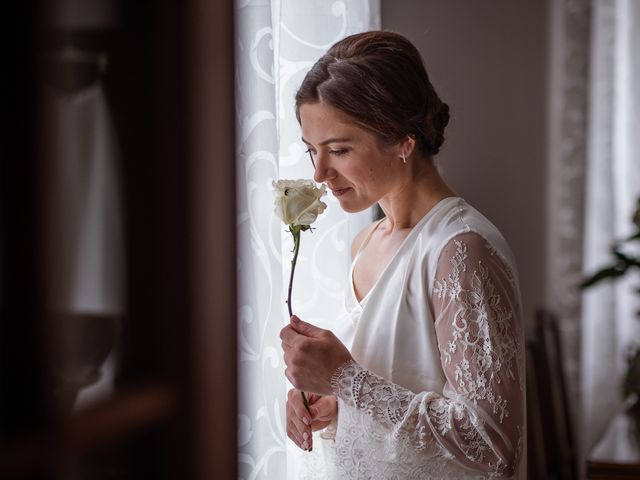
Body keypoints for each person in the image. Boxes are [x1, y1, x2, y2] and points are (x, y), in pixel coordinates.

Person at [280, 31, 525, 479]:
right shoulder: (365, 243)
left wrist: (346, 380)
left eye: (338, 149)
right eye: (311, 150)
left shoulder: (461, 250)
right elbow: (397, 390)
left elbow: (492, 444)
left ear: (402, 140)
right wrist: (333, 406)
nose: (318, 173)